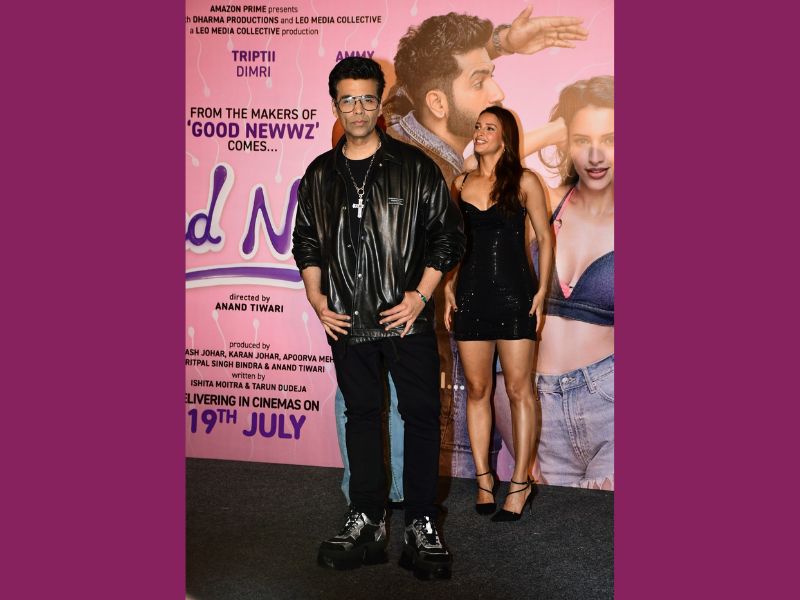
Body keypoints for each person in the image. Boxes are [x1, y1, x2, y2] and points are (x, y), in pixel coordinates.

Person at [383, 9, 587, 477]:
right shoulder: (424, 174)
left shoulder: (405, 124)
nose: (497, 93)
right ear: (438, 102)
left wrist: (502, 43)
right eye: (480, 81)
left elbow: (417, 83)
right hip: (432, 370)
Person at [292, 57, 465, 579]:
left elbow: (448, 236)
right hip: (347, 322)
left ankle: (420, 523)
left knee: (420, 416)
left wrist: (420, 296)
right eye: (348, 99)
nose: (358, 109)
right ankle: (366, 520)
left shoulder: (415, 166)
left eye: (367, 98)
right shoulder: (320, 174)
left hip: (405, 320)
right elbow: (306, 241)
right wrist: (317, 299)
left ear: (380, 103)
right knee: (362, 417)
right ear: (335, 105)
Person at [443, 106, 552, 520]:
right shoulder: (460, 183)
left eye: (490, 128)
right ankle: (484, 480)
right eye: (478, 126)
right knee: (476, 390)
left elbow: (545, 238)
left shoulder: (525, 181)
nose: (480, 132)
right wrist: (449, 283)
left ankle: (521, 482)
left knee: (520, 390)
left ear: (505, 138)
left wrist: (542, 291)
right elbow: (454, 244)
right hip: (471, 297)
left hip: (515, 297)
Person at [533, 75, 614, 490]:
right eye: (583, 140)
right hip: (542, 408)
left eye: (611, 139)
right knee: (558, 529)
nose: (596, 155)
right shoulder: (546, 201)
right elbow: (477, 166)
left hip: (611, 402)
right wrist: (559, 127)